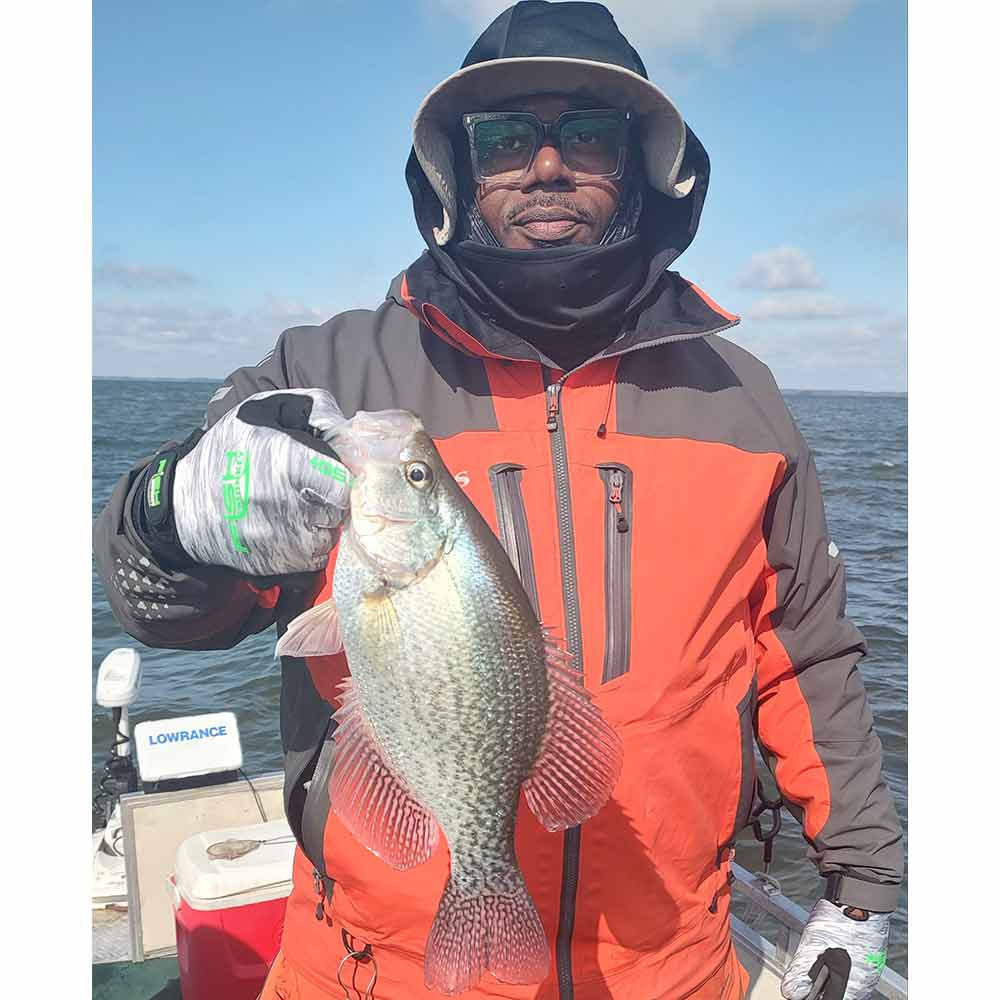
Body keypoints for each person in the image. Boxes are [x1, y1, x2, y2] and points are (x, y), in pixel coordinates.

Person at [94, 2, 903, 998]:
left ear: (643, 168)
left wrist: (859, 890)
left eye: (589, 134)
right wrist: (175, 519)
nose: (547, 164)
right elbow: (158, 604)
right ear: (459, 171)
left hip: (673, 964)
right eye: (507, 136)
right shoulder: (321, 370)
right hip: (366, 967)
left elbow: (808, 656)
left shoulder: (743, 401)